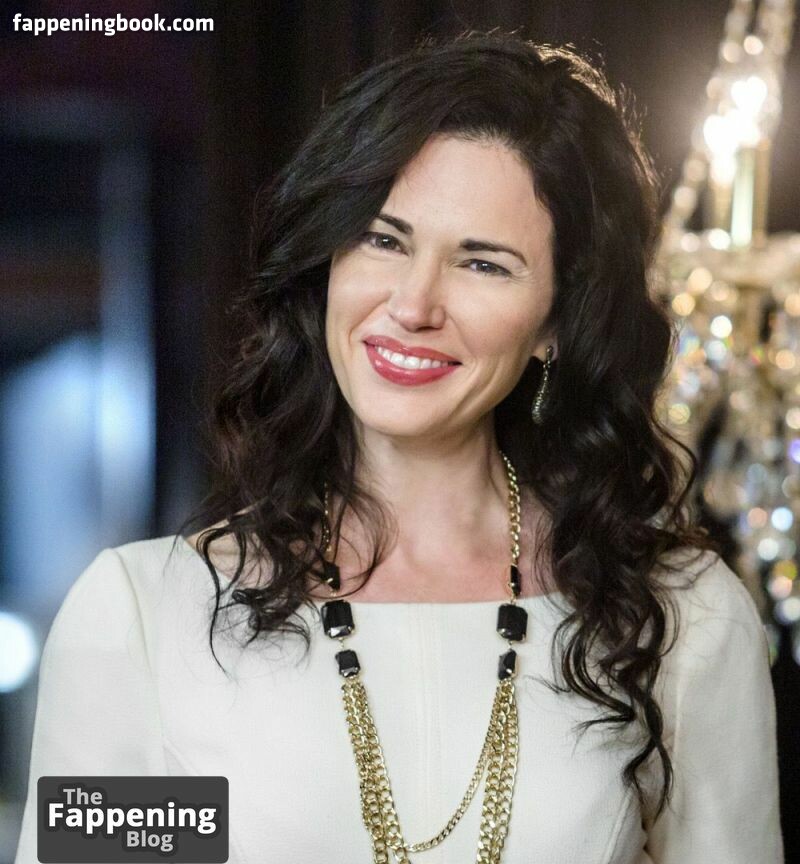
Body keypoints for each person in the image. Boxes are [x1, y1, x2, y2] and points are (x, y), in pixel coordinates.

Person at [15, 31, 783, 864]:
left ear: (557, 323)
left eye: (483, 264)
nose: (413, 305)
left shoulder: (682, 619)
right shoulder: (143, 616)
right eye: (383, 240)